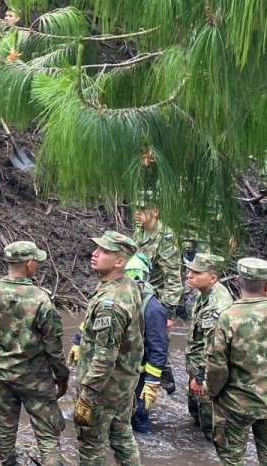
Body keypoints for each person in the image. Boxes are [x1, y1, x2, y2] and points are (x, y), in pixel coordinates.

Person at [0, 241, 67, 466]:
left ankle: (7, 463)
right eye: (36, 262)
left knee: (5, 427)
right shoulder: (41, 299)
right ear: (29, 264)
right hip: (36, 380)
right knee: (47, 435)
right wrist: (62, 377)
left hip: (3, 375)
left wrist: (0, 343)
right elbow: (54, 347)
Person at [205, 258, 267, 466]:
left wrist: (212, 392)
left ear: (238, 281)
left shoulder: (228, 317)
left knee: (232, 460)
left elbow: (217, 366)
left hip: (236, 405)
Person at [69, 231, 143, 466]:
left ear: (120, 262)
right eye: (97, 248)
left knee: (90, 447)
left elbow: (105, 357)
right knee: (122, 437)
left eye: (104, 251)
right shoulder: (128, 285)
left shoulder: (109, 304)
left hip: (103, 390)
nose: (95, 253)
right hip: (123, 384)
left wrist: (87, 396)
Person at [132, 195, 180, 393]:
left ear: (155, 212)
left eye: (143, 209)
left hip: (158, 301)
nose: (137, 213)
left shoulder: (165, 238)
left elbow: (173, 277)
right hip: (140, 295)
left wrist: (168, 313)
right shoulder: (139, 232)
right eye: (136, 208)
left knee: (157, 345)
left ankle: (168, 387)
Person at [184, 252, 232, 440]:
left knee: (210, 426)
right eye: (189, 271)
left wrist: (200, 377)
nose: (189, 275)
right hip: (197, 365)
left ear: (212, 278)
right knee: (195, 412)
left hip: (206, 371)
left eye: (196, 273)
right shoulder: (204, 293)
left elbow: (213, 347)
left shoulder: (216, 305)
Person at [122, 254, 169, 435]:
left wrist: (152, 381)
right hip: (120, 369)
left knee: (138, 414)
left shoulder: (152, 308)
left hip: (140, 371)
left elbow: (159, 347)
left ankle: (144, 443)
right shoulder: (116, 296)